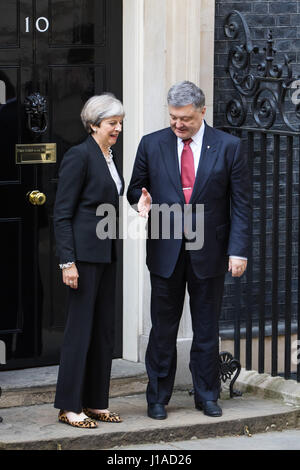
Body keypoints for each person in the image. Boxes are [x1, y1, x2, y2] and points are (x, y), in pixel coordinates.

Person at [127, 81, 250, 420]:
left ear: (202, 112)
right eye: (173, 118)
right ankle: (157, 398)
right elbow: (134, 189)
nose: (178, 125)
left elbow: (241, 204)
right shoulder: (151, 144)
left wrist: (237, 251)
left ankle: (207, 395)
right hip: (166, 250)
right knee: (163, 329)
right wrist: (141, 200)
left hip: (209, 253)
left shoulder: (228, 146)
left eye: (185, 119)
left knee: (207, 329)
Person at [53, 93, 125, 428]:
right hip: (82, 258)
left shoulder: (109, 156)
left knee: (103, 331)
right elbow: (62, 214)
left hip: (106, 254)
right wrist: (68, 262)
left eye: (120, 122)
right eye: (112, 123)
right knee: (79, 332)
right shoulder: (79, 157)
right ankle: (69, 406)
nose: (118, 128)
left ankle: (96, 402)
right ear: (94, 124)